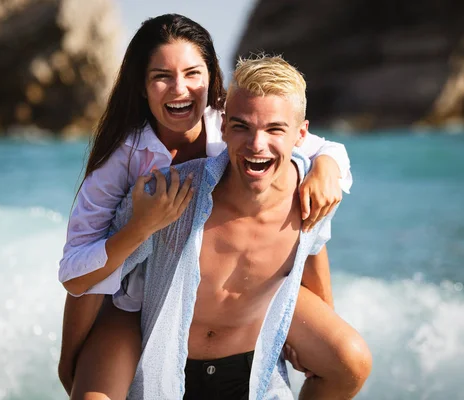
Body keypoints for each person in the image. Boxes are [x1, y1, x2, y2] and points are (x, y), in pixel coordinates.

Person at [58, 14, 353, 398]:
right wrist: (69, 361)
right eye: (161, 76)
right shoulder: (123, 161)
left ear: (212, 78)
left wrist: (327, 167)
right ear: (142, 87)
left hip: (229, 294)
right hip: (137, 294)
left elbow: (318, 150)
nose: (180, 89)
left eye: (193, 73)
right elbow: (79, 275)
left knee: (349, 360)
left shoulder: (235, 123)